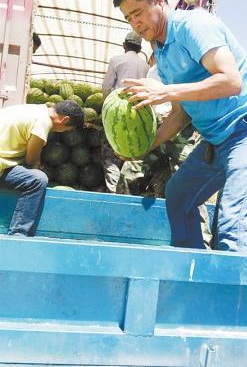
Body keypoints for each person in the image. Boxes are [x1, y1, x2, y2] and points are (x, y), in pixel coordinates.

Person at [113, 0, 247, 253]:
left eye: (138, 12)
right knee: (178, 196)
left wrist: (165, 91)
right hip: (216, 140)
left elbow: (231, 80)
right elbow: (181, 114)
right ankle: (196, 274)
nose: (135, 23)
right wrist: (142, 147)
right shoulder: (162, 53)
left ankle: (231, 295)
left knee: (232, 227)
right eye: (128, 17)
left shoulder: (193, 25)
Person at [0, 100, 84, 236]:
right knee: (38, 180)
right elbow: (31, 160)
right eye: (67, 129)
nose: (64, 132)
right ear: (65, 120)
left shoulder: (35, 109)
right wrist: (38, 167)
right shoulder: (43, 122)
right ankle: (19, 234)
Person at [101, 31, 149, 193]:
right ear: (140, 48)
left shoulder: (116, 60)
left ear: (124, 45)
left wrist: (107, 110)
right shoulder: (146, 66)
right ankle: (128, 192)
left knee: (111, 156)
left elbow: (107, 87)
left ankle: (113, 192)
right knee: (132, 154)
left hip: (117, 113)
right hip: (138, 115)